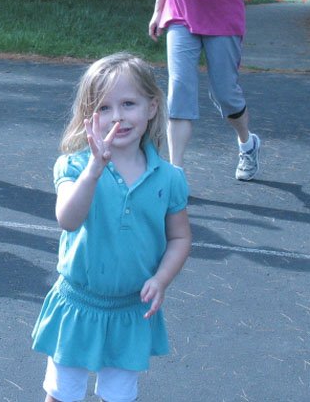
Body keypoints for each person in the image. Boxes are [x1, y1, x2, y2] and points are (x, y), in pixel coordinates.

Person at [31, 53, 192, 402]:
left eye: (128, 104)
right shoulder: (73, 167)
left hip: (131, 310)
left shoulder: (170, 177)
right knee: (62, 394)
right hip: (77, 303)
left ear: (151, 107)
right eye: (103, 108)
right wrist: (94, 170)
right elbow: (68, 219)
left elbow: (180, 237)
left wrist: (161, 279)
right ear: (89, 118)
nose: (117, 116)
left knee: (119, 397)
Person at [148, 0, 260, 181]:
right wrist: (158, 9)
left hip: (222, 15)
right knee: (179, 90)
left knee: (225, 93)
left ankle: (247, 143)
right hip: (180, 13)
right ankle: (176, 174)